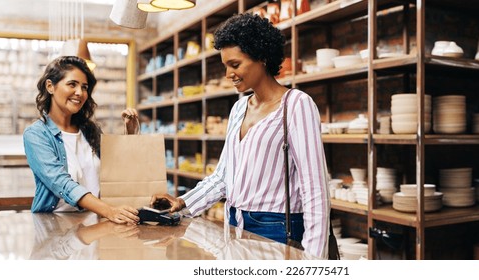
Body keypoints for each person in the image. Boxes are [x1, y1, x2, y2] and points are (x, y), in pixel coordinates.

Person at [150, 13, 330, 258]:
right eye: (225, 65)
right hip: (233, 224)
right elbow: (223, 177)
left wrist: (313, 262)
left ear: (263, 58)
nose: (228, 74)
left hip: (277, 230)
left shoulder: (297, 105)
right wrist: (182, 202)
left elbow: (315, 191)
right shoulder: (239, 108)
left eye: (235, 65)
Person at [23, 56, 141, 224]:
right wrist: (109, 211)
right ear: (50, 86)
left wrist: (130, 133)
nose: (80, 93)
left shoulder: (90, 130)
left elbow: (116, 171)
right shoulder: (36, 134)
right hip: (55, 225)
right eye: (72, 84)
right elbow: (61, 183)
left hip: (97, 223)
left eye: (84, 87)